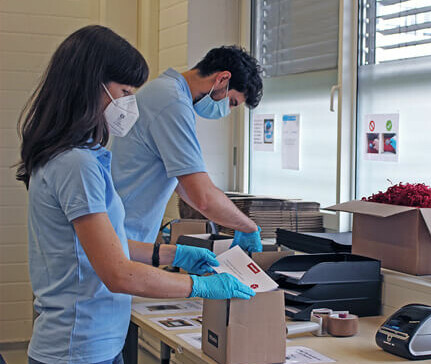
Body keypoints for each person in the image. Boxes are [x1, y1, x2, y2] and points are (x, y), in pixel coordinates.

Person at [16, 25, 254, 364]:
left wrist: (172, 254)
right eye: (125, 90)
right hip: (78, 348)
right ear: (90, 85)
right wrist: (199, 287)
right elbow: (118, 273)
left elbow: (105, 246)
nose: (130, 102)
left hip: (93, 342)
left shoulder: (79, 156)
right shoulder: (76, 164)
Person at [110, 46, 264, 252]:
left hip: (126, 235)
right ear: (222, 79)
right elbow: (203, 196)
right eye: (232, 102)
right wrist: (248, 227)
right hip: (121, 232)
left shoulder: (166, 91)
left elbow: (185, 186)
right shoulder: (171, 101)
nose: (227, 110)